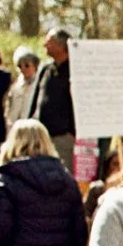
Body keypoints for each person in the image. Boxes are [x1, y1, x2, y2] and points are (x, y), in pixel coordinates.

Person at [28, 28, 76, 168]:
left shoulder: (74, 70)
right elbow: (36, 99)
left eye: (49, 42)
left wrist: (72, 132)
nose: (44, 45)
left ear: (61, 45)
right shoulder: (46, 69)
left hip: (64, 137)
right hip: (41, 135)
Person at [4, 47, 39, 129]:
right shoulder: (15, 87)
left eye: (27, 65)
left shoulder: (39, 85)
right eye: (20, 66)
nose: (23, 69)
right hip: (14, 127)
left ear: (35, 66)